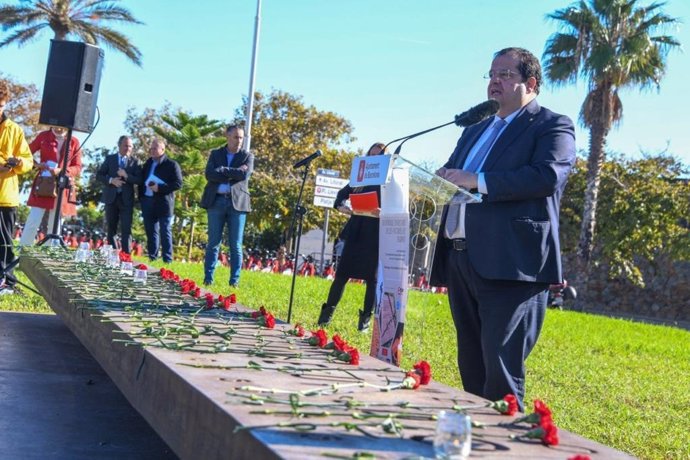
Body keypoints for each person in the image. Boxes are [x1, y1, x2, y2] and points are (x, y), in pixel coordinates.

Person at [431, 47, 576, 411]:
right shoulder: (475, 129)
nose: (495, 81)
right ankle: (477, 438)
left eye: (505, 75)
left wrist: (475, 179)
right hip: (463, 258)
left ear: (531, 83)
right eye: (492, 74)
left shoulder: (551, 125)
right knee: (472, 363)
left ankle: (506, 444)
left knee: (501, 370)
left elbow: (547, 176)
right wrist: (437, 180)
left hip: (513, 263)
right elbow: (452, 174)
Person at [317, 142, 386, 331]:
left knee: (371, 279)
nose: (374, 160)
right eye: (371, 156)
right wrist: (341, 206)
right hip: (357, 229)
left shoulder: (389, 181)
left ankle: (364, 320)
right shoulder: (359, 178)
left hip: (376, 232)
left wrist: (384, 211)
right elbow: (341, 195)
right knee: (342, 274)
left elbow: (396, 206)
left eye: (378, 156)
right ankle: (326, 315)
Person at [200, 125, 253, 287]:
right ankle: (208, 278)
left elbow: (244, 174)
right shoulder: (216, 154)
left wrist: (223, 170)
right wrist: (233, 172)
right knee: (213, 242)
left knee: (236, 245)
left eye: (241, 138)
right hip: (216, 201)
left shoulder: (247, 156)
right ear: (227, 137)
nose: (239, 141)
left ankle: (234, 281)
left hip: (237, 205)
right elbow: (209, 174)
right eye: (236, 137)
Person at [20, 126, 82, 246]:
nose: (58, 129)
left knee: (55, 225)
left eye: (62, 126)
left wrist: (62, 170)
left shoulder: (74, 141)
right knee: (34, 219)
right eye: (56, 126)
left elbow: (77, 167)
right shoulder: (43, 136)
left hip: (63, 185)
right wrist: (38, 165)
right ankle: (23, 252)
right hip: (44, 183)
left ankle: (48, 254)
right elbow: (25, 153)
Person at [0, 81, 34, 294]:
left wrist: (19, 163)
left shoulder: (15, 129)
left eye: (0, 105)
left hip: (6, 196)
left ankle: (7, 282)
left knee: (4, 244)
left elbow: (28, 160)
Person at [140, 137, 182, 263]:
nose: (152, 151)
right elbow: (142, 179)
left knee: (165, 230)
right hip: (148, 201)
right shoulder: (148, 163)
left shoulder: (172, 164)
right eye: (151, 148)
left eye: (155, 148)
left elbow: (178, 183)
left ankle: (167, 259)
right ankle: (152, 257)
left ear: (163, 150)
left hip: (164, 203)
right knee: (151, 231)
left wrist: (160, 187)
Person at [96, 135, 141, 253]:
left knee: (126, 229)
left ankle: (126, 256)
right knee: (111, 229)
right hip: (111, 198)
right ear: (119, 145)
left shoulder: (135, 162)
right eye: (126, 145)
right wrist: (111, 180)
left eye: (130, 146)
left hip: (126, 200)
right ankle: (114, 254)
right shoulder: (110, 159)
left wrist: (126, 175)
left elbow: (139, 180)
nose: (128, 148)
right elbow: (99, 175)